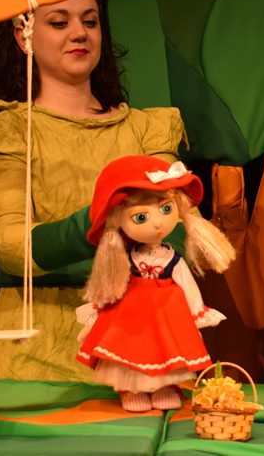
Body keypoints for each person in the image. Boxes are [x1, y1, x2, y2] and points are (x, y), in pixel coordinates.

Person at [0, 0, 188, 382]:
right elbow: (10, 245)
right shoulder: (5, 128)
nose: (79, 33)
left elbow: (175, 233)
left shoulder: (148, 130)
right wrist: (102, 225)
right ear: (23, 35)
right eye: (60, 22)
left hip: (139, 343)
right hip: (38, 347)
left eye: (90, 21)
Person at [76, 155, 235, 412]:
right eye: (141, 217)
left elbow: (189, 287)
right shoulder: (125, 259)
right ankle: (132, 388)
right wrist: (99, 311)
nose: (158, 223)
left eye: (166, 209)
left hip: (167, 313)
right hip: (132, 315)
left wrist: (196, 315)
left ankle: (164, 387)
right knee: (131, 349)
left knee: (166, 349)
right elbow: (112, 284)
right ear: (118, 219)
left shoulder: (172, 259)